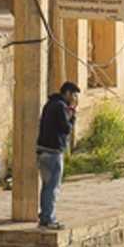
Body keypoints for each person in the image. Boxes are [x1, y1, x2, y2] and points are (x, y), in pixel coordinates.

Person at [36, 81, 79, 230]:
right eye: (73, 94)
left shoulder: (49, 104)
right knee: (52, 187)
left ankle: (44, 216)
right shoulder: (61, 107)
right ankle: (48, 218)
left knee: (46, 187)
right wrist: (72, 115)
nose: (74, 98)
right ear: (67, 93)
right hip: (52, 152)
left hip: (42, 151)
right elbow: (65, 128)